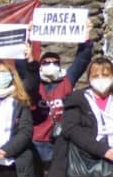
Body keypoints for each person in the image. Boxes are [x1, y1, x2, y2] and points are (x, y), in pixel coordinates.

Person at [17, 23, 92, 165]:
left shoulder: (67, 80)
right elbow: (22, 65)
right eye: (46, 63)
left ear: (59, 65)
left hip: (59, 140)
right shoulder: (34, 81)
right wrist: (27, 36)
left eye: (55, 63)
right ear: (40, 66)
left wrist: (86, 40)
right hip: (35, 140)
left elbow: (81, 60)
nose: (50, 65)